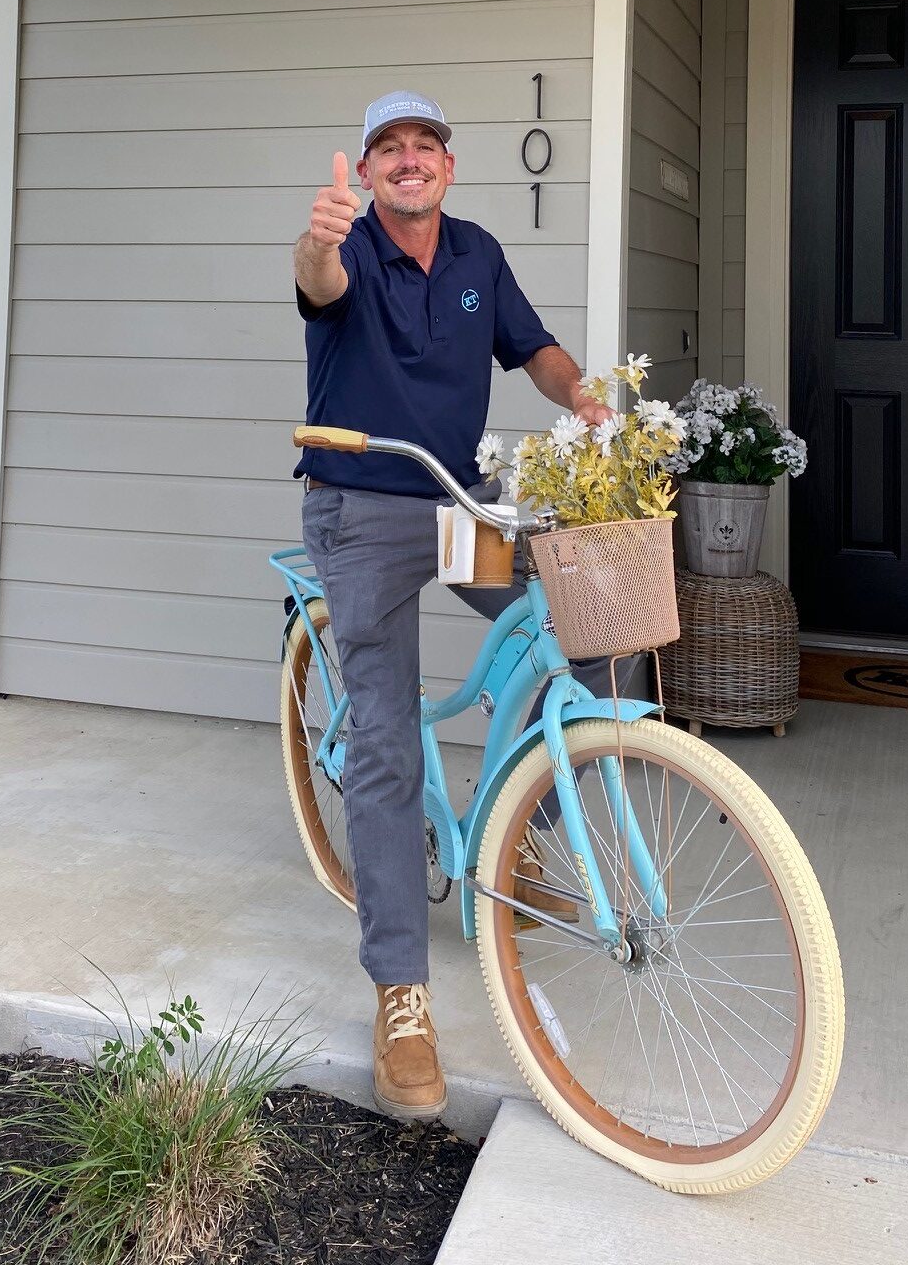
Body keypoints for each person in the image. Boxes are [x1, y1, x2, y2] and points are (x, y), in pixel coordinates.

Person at [293, 89, 628, 1123]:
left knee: (586, 636)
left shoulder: (478, 252)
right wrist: (318, 241)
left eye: (424, 145)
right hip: (361, 507)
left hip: (460, 504)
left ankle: (513, 836)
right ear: (367, 170)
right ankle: (401, 992)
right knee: (388, 741)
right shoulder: (349, 248)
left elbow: (534, 348)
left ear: (448, 163)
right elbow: (318, 285)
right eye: (388, 148)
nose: (408, 160)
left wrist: (580, 395)